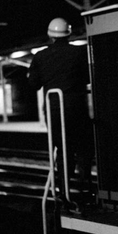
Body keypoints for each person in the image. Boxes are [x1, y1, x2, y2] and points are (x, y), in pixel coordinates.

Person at [28, 17, 94, 207]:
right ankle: (86, 184)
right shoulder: (79, 52)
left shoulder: (40, 56)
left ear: (50, 35)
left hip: (54, 110)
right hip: (77, 108)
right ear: (69, 33)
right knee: (83, 146)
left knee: (63, 150)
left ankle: (64, 192)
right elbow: (88, 77)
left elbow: (33, 84)